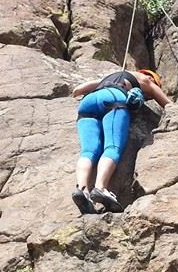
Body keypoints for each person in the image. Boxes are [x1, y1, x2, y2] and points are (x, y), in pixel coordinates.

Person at [71, 68, 171, 214]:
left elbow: (77, 90)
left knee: (88, 151)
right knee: (112, 147)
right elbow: (167, 104)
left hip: (87, 103)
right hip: (114, 99)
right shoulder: (145, 79)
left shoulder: (108, 77)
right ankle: (100, 188)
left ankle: (82, 190)